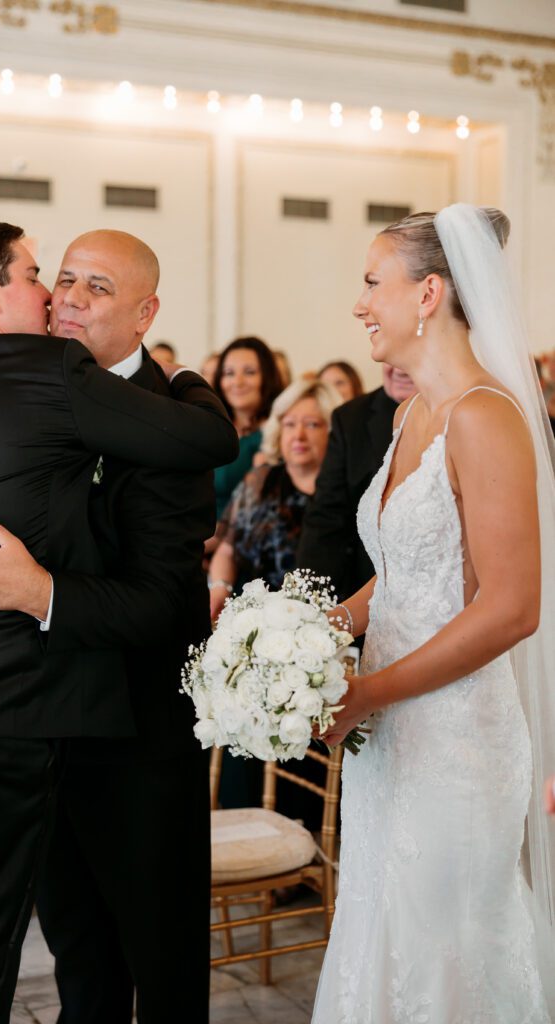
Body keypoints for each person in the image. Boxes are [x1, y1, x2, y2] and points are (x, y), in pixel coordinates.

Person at [0, 219, 237, 1023]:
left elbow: (164, 603)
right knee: (76, 956)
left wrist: (46, 596)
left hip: (133, 734)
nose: (67, 298)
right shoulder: (4, 384)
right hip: (20, 723)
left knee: (161, 955)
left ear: (145, 315)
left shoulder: (159, 414)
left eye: (94, 287)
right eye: (60, 278)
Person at [312, 205, 555, 1022]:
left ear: (428, 294)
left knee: (446, 957)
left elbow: (512, 607)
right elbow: (403, 571)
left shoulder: (484, 418)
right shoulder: (410, 413)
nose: (358, 305)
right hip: (390, 746)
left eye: (371, 283)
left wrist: (369, 694)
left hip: (455, 743)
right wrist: (317, 628)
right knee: (383, 937)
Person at [208, 377, 340, 622]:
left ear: (332, 431)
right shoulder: (260, 480)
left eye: (312, 425)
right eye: (289, 424)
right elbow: (227, 549)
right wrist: (220, 587)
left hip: (322, 624)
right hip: (251, 620)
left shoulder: (342, 490)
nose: (298, 435)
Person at [296, 363, 416, 602]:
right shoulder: (351, 419)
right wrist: (306, 605)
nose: (400, 369)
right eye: (390, 360)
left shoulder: (461, 412)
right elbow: (326, 520)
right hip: (365, 594)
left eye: (405, 358)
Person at [212, 335, 283, 519]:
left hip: (231, 540)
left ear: (267, 377)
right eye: (229, 373)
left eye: (250, 372)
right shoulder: (210, 426)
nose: (238, 382)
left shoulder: (278, 434)